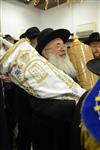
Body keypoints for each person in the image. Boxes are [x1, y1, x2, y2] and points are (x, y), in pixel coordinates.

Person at [28, 28, 85, 150]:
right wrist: (77, 104)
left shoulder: (69, 69)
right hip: (51, 136)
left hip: (71, 131)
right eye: (57, 45)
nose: (63, 47)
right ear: (46, 53)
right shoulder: (38, 77)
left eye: (63, 44)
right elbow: (40, 106)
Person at [15, 27, 40, 150]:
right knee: (25, 133)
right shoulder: (22, 58)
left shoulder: (39, 57)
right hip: (23, 103)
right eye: (35, 41)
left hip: (37, 109)